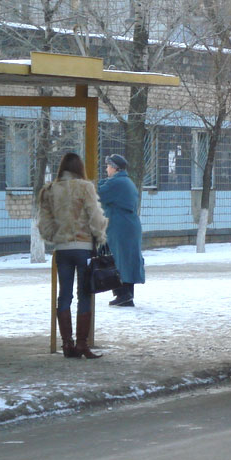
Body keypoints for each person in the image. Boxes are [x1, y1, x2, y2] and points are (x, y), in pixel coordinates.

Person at [37, 152, 109, 358]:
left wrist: (56, 237)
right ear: (79, 167)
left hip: (62, 249)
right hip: (83, 247)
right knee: (84, 294)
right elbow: (95, 216)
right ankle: (82, 345)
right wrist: (100, 234)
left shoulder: (50, 190)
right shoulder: (85, 187)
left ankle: (67, 344)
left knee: (64, 295)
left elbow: (45, 223)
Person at [98, 154, 145, 307]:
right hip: (128, 225)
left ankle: (123, 295)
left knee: (119, 261)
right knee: (126, 260)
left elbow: (98, 194)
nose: (106, 169)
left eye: (108, 166)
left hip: (121, 227)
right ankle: (126, 295)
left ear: (114, 168)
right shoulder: (125, 181)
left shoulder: (117, 183)